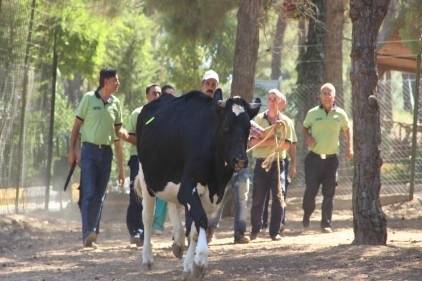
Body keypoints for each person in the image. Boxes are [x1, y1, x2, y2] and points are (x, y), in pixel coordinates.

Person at [68, 67, 128, 247]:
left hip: (107, 153)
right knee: (89, 193)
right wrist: (73, 150)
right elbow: (76, 126)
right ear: (107, 81)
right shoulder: (88, 98)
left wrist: (126, 134)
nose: (118, 83)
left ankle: (92, 233)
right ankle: (88, 232)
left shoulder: (116, 103)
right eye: (115, 80)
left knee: (100, 196)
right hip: (89, 152)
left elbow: (118, 131)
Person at [302, 82, 353, 233]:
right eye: (324, 93)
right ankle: (307, 214)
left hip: (332, 160)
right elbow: (304, 128)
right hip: (314, 160)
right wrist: (308, 138)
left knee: (329, 193)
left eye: (329, 93)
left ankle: (326, 224)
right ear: (320, 96)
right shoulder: (312, 113)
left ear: (334, 96)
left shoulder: (340, 114)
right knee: (311, 191)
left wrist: (349, 147)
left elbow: (348, 130)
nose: (326, 96)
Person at [249, 89, 294, 241]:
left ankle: (275, 232)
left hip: (278, 163)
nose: (272, 102)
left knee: (278, 196)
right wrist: (274, 139)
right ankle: (255, 228)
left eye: (275, 99)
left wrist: (265, 140)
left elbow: (287, 145)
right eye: (270, 99)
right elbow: (253, 142)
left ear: (280, 103)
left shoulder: (286, 122)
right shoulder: (258, 120)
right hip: (262, 163)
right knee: (258, 197)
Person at [120, 83, 161, 245]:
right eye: (153, 93)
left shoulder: (164, 115)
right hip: (138, 158)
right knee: (137, 195)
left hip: (157, 160)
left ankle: (146, 232)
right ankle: (135, 231)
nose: (157, 96)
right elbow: (129, 136)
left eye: (159, 93)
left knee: (153, 195)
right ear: (147, 96)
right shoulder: (138, 113)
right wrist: (146, 142)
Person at [262, 93, 297, 232]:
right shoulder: (262, 118)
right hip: (265, 160)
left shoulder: (287, 122)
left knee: (281, 192)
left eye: (280, 101)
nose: (278, 103)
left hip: (282, 160)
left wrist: (293, 164)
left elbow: (292, 145)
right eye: (274, 100)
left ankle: (280, 221)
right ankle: (263, 224)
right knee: (263, 194)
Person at [151, 84, 175, 235]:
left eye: (173, 96)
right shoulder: (153, 113)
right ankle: (149, 224)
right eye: (167, 95)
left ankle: (161, 225)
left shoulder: (178, 115)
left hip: (172, 159)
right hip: (155, 157)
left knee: (168, 193)